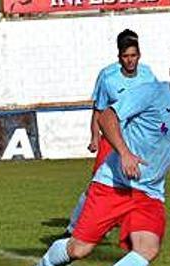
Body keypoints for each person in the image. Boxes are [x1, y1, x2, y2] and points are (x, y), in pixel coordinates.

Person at [10, 44, 170, 266]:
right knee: (79, 249)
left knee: (147, 249)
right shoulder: (152, 92)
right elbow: (107, 117)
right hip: (114, 183)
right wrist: (125, 153)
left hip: (149, 193)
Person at [66, 29, 157, 234]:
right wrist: (94, 136)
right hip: (112, 137)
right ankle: (72, 228)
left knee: (137, 185)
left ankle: (123, 225)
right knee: (97, 185)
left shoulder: (148, 75)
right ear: (119, 57)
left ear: (139, 55)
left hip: (136, 139)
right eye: (125, 56)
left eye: (133, 56)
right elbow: (98, 110)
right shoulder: (108, 76)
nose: (130, 60)